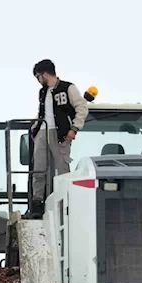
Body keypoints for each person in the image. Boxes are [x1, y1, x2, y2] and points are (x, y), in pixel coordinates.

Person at [23, 59, 89, 220]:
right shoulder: (43, 92)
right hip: (42, 131)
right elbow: (42, 112)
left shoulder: (68, 88)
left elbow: (82, 107)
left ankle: (66, 203)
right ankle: (37, 204)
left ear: (45, 74)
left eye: (38, 77)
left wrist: (74, 128)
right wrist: (35, 129)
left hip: (60, 134)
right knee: (38, 169)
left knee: (62, 168)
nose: (38, 81)